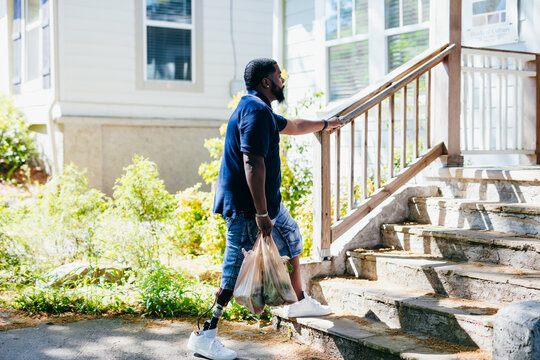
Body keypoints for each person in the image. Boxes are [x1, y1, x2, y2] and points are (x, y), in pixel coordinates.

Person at [188, 58, 343, 360]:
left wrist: (326, 124)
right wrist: (261, 215)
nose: (283, 81)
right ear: (265, 82)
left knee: (294, 238)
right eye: (279, 76)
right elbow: (252, 163)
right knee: (232, 275)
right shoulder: (257, 113)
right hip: (250, 212)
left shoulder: (260, 110)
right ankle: (205, 335)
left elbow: (295, 125)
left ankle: (298, 300)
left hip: (270, 207)